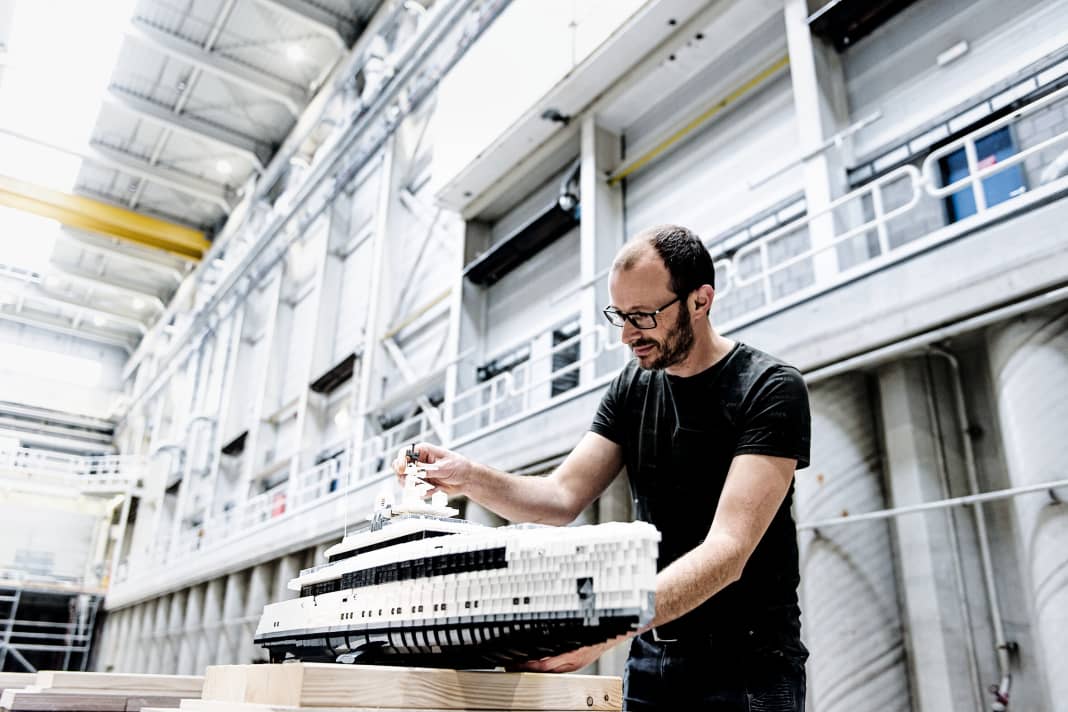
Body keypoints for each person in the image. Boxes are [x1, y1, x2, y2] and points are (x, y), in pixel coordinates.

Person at [393, 224, 810, 711]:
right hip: (653, 659)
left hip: (748, 668)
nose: (627, 335)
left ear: (700, 301)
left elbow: (729, 550)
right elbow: (560, 497)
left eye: (643, 316)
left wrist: (607, 624)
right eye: (619, 315)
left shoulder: (770, 389)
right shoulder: (633, 387)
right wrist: (467, 476)